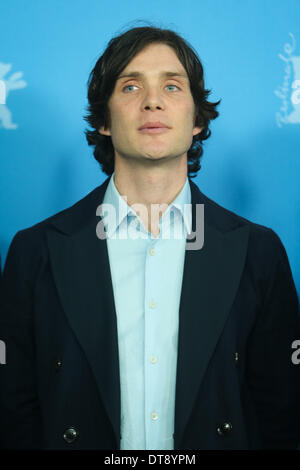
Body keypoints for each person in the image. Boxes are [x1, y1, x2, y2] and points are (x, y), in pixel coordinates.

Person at [0, 25, 300, 451]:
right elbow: (15, 411)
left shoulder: (258, 251)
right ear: (103, 120)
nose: (152, 100)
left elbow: (280, 415)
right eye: (130, 85)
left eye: (172, 86)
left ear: (197, 119)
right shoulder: (35, 251)